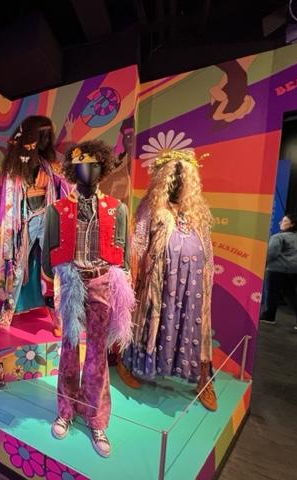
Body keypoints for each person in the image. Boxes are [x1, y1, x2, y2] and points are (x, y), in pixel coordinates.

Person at [43, 140, 134, 458]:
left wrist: (123, 290)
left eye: (95, 164)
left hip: (102, 282)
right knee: (69, 350)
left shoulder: (116, 209)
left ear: (103, 167)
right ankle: (65, 411)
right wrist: (49, 288)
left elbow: (124, 255)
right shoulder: (57, 210)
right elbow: (47, 253)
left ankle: (96, 418)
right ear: (72, 169)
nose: (89, 170)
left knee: (97, 353)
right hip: (71, 282)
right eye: (82, 164)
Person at [117, 149, 218, 412]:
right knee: (147, 321)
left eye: (183, 178)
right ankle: (126, 363)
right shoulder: (151, 207)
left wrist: (207, 276)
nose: (177, 183)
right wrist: (132, 277)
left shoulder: (196, 211)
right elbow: (138, 243)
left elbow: (207, 248)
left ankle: (204, 379)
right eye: (173, 177)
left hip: (192, 284)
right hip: (158, 281)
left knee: (194, 325)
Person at [0, 116, 69, 336]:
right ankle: (2, 315)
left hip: (47, 218)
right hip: (24, 222)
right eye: (40, 136)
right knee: (15, 269)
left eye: (47, 137)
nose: (44, 141)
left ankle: (59, 318)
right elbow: (10, 199)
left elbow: (67, 186)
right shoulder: (15, 168)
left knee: (52, 269)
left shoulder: (48, 165)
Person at [260, 214, 297, 330]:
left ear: (292, 224)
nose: (280, 223)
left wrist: (262, 262)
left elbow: (271, 253)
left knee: (272, 293)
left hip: (278, 269)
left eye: (284, 221)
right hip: (296, 270)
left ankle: (269, 316)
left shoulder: (278, 237)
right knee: (291, 294)